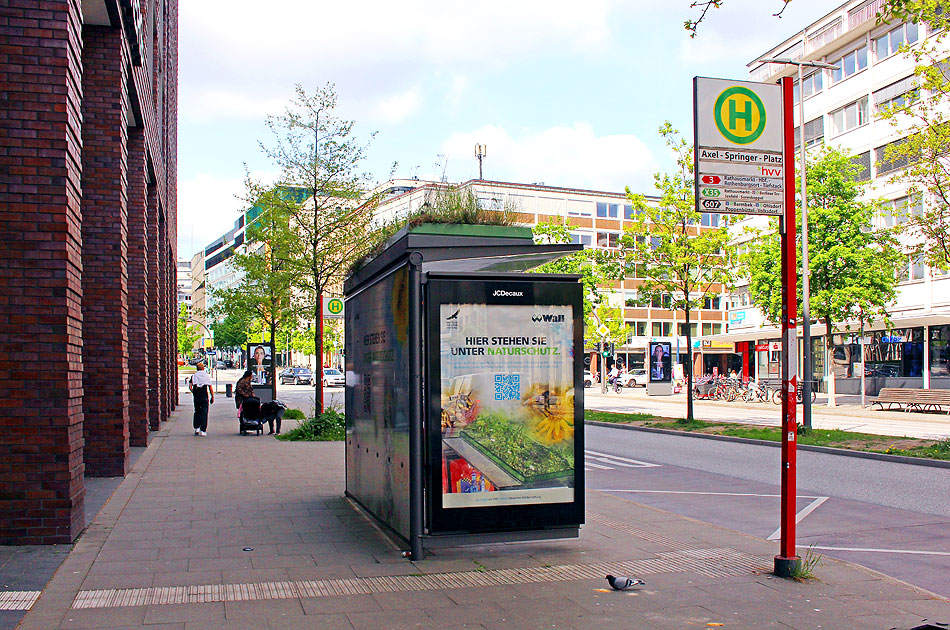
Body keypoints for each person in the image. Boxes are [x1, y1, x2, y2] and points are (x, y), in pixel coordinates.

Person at [189, 362, 214, 436]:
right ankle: (203, 430)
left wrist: (193, 392)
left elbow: (190, 386)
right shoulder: (206, 376)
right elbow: (210, 388)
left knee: (197, 411)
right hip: (204, 396)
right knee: (204, 412)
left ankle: (197, 427)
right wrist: (212, 396)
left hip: (197, 396)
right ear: (203, 368)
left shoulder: (194, 376)